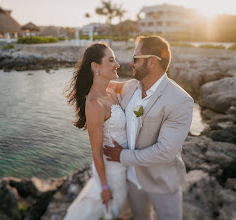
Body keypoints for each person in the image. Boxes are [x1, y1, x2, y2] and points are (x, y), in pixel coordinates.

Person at [103, 36, 194, 220]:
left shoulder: (180, 101)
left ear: (152, 61)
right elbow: (103, 86)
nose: (130, 63)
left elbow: (165, 151)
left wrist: (122, 156)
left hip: (162, 183)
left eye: (136, 58)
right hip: (132, 180)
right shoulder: (131, 87)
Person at [64, 42, 128, 220]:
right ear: (95, 66)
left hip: (125, 163)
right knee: (111, 211)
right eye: (111, 60)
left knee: (120, 209)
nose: (117, 65)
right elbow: (96, 151)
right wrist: (105, 187)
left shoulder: (111, 91)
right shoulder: (94, 104)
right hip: (111, 170)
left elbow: (136, 85)